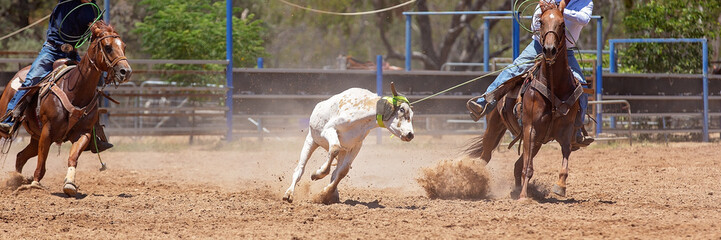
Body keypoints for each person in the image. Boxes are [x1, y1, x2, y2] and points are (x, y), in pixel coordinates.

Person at [467, 0, 594, 148]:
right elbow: (534, 23)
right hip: (538, 45)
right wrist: (548, 14)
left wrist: (560, 11)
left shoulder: (585, 2)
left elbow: (584, 19)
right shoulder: (549, 0)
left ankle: (577, 128)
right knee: (513, 69)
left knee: (581, 86)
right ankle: (484, 102)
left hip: (565, 51)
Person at [0, 0, 113, 153]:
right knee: (32, 79)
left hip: (72, 52)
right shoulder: (64, 4)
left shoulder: (92, 10)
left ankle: (94, 135)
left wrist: (98, 31)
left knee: (87, 84)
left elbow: (98, 35)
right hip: (51, 51)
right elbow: (62, 30)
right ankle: (10, 118)